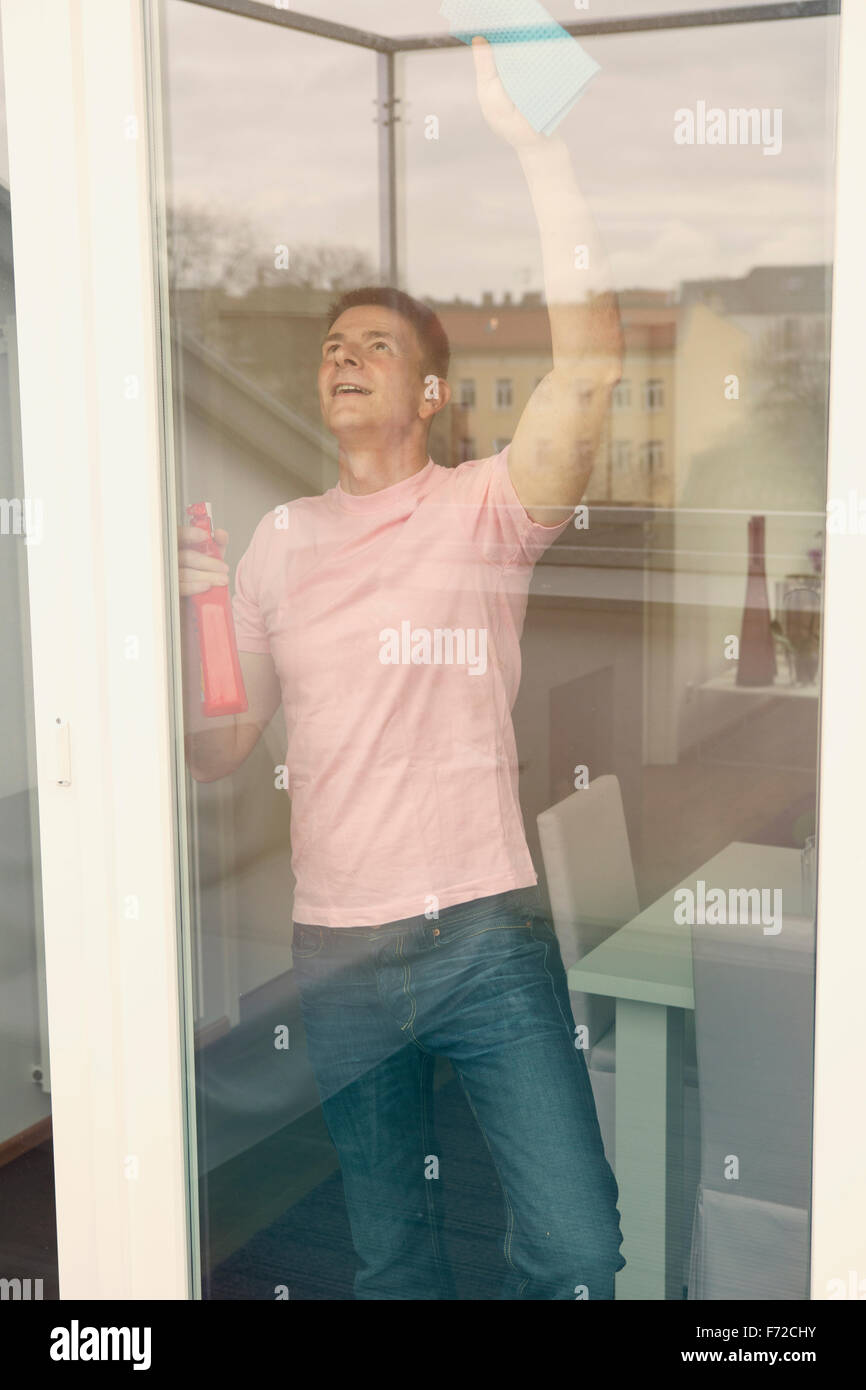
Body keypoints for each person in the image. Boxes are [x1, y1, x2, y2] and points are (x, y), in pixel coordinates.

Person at [179, 37, 625, 1300]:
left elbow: (585, 372)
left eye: (372, 344)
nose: (342, 356)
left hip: (481, 935)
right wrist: (210, 613)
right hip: (334, 952)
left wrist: (537, 147)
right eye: (332, 345)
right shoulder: (278, 542)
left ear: (427, 390)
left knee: (575, 1249)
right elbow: (221, 749)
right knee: (388, 1257)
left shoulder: (486, 508)